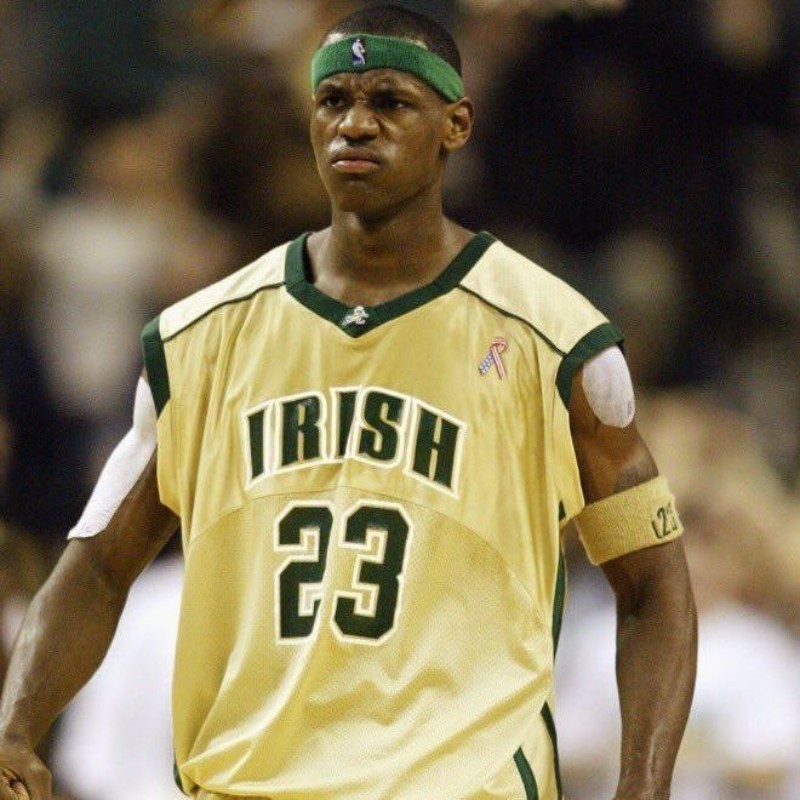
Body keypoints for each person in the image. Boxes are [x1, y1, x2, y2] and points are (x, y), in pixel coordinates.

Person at [0, 5, 697, 799]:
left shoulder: (556, 341)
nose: (355, 124)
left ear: (457, 124)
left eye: (390, 102)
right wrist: (15, 729)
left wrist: (644, 787)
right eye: (334, 101)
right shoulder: (202, 341)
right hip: (250, 785)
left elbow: (654, 588)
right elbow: (96, 567)